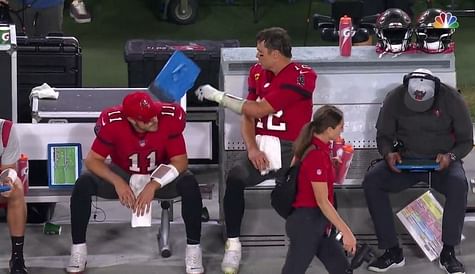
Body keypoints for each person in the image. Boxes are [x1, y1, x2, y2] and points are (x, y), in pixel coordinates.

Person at [195, 27, 317, 273]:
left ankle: (325, 237)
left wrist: (218, 96)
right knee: (236, 177)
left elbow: (259, 110)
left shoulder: (303, 76)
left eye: (261, 53)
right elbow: (248, 115)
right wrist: (251, 148)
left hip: (294, 148)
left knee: (295, 199)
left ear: (275, 53)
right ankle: (233, 244)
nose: (257, 57)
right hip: (262, 144)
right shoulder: (257, 73)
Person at [65, 92, 204, 274]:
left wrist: (153, 184)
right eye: (147, 119)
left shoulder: (167, 118)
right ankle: (78, 250)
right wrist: (117, 182)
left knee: (189, 183)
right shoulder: (113, 123)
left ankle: (193, 249)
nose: (154, 120)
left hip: (159, 174)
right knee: (83, 183)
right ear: (131, 119)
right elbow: (92, 160)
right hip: (122, 173)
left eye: (154, 114)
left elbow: (180, 162)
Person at [362, 68, 472, 274]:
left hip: (442, 162)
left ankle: (448, 252)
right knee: (372, 181)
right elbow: (383, 136)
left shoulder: (452, 99)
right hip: (405, 160)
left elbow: (466, 141)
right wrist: (388, 154)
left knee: (458, 184)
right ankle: (392, 251)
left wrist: (451, 157)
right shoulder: (395, 98)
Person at [281, 105, 356, 274]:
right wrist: (346, 232)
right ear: (329, 129)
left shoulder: (312, 147)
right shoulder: (317, 156)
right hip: (307, 225)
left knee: (341, 268)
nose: (342, 129)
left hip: (319, 224)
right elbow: (322, 201)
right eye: (340, 126)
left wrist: (329, 164)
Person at [0, 118, 28, 274]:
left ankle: (17, 258)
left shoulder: (5, 129)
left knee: (16, 187)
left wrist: (7, 180)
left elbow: (8, 169)